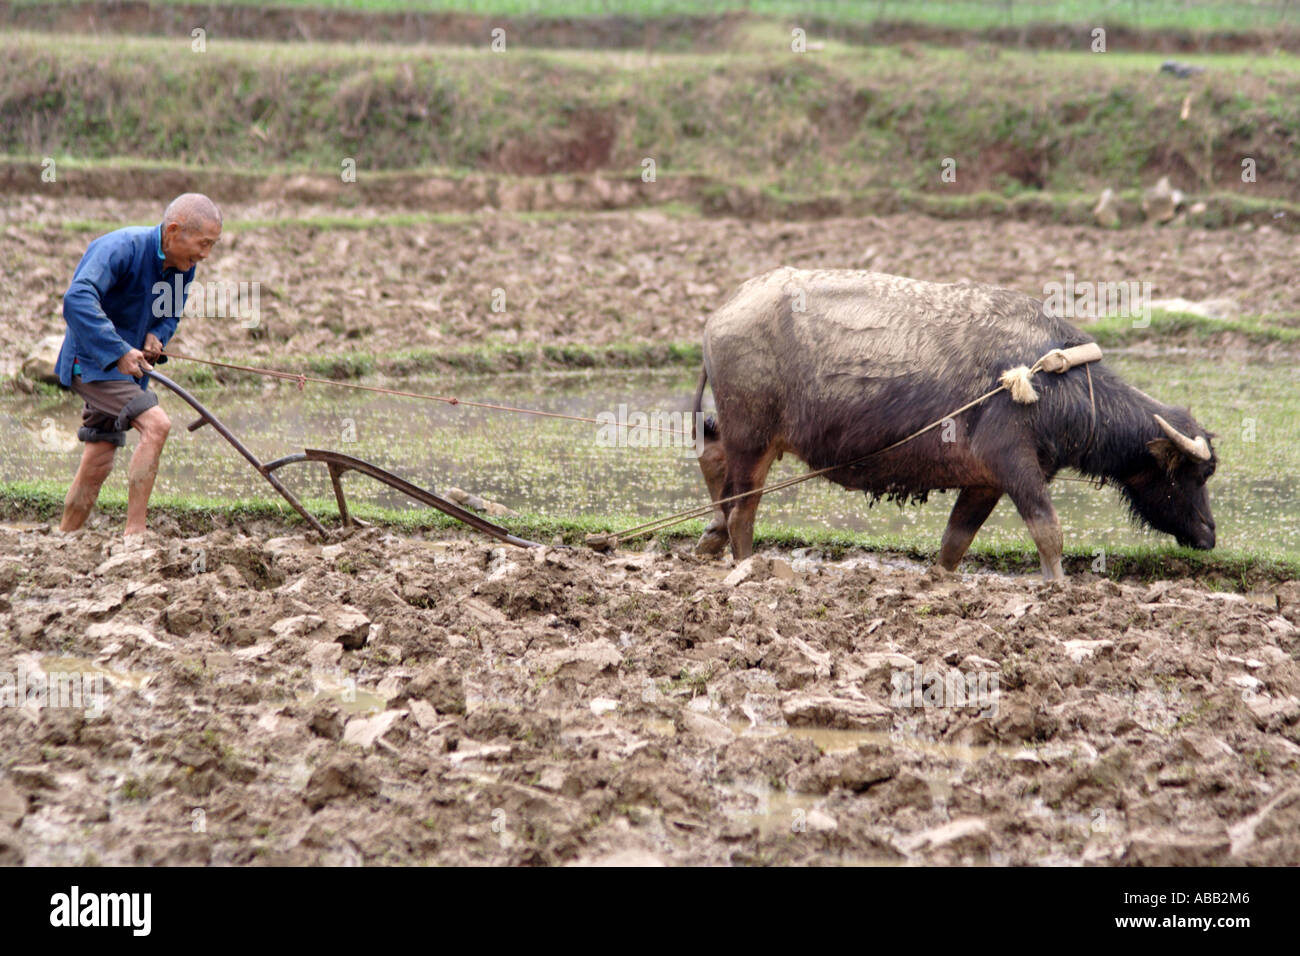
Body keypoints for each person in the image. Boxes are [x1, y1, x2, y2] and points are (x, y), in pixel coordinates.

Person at [55, 193, 222, 538]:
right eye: (203, 244)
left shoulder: (182, 268)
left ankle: (64, 539)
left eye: (212, 246)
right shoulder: (120, 247)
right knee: (157, 425)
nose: (205, 255)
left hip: (127, 370)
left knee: (97, 460)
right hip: (91, 362)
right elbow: (77, 298)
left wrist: (156, 335)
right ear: (174, 230)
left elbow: (169, 314)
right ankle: (136, 534)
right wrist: (118, 351)